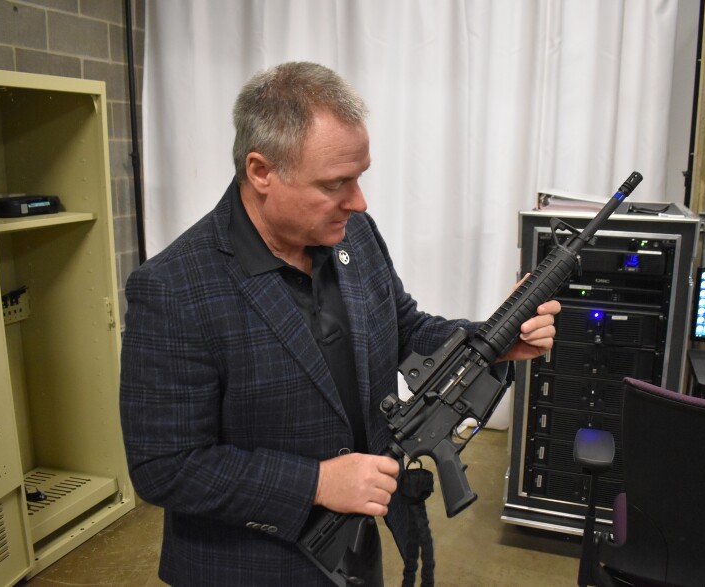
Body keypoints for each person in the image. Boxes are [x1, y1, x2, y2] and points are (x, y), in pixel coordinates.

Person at [120, 61, 561, 586]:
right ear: (261, 172)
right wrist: (314, 482)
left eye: (359, 177)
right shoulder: (174, 289)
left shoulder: (353, 234)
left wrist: (491, 338)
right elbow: (164, 467)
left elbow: (403, 326)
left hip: (354, 551)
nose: (358, 201)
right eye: (336, 183)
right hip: (250, 567)